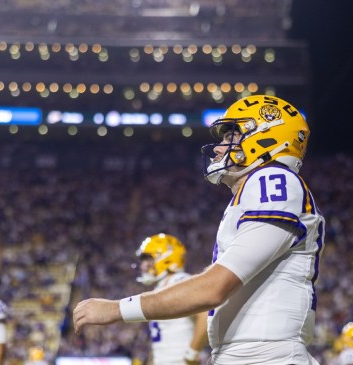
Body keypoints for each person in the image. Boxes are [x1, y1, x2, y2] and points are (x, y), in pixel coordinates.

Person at [73, 95, 325, 364]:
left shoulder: (273, 179)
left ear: (265, 137)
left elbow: (213, 288)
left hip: (264, 356)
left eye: (231, 137)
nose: (219, 149)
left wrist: (117, 309)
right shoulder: (256, 189)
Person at [135, 233, 208, 364]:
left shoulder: (178, 281)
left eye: (148, 259)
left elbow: (205, 314)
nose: (143, 265)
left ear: (166, 258)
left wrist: (192, 353)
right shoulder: (161, 287)